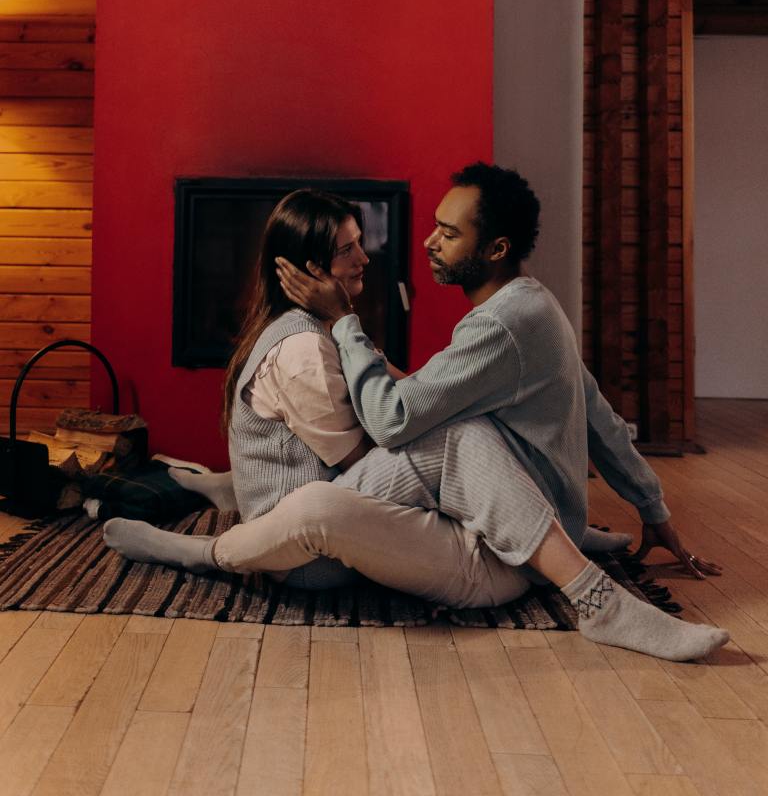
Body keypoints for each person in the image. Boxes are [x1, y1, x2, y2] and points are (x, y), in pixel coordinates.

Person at [105, 175, 729, 661]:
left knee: (436, 441)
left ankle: (585, 579)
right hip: (449, 525)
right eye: (351, 249)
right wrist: (652, 507)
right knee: (446, 437)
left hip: (490, 542)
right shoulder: (534, 308)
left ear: (496, 248)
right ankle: (216, 527)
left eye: (447, 232)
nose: (421, 243)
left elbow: (396, 422)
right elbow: (591, 416)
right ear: (312, 269)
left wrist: (353, 332)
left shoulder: (496, 325)